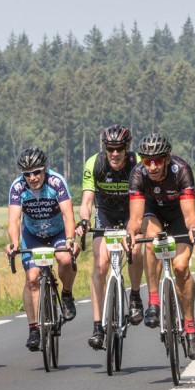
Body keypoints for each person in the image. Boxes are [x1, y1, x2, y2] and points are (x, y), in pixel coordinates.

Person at [126, 133, 195, 360]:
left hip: (179, 215)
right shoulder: (138, 174)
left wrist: (194, 229)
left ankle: (190, 329)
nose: (151, 166)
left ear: (167, 158)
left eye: (157, 161)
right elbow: (135, 217)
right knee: (152, 239)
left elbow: (191, 216)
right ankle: (153, 302)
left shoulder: (181, 170)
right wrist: (130, 233)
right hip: (153, 212)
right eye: (146, 160)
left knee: (181, 267)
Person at [75, 124, 145, 351]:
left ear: (127, 148)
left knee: (134, 249)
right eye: (110, 149)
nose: (114, 154)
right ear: (105, 148)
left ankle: (135, 296)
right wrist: (84, 221)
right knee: (101, 264)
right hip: (104, 214)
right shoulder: (94, 163)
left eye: (119, 149)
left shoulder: (137, 164)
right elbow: (86, 201)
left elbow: (144, 197)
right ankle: (98, 326)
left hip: (131, 213)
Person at [5, 147, 81, 352]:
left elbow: (68, 215)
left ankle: (66, 294)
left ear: (45, 169)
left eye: (37, 172)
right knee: (32, 278)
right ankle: (34, 329)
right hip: (32, 235)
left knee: (65, 259)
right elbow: (14, 220)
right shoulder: (18, 187)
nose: (32, 177)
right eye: (27, 173)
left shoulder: (56, 182)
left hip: (57, 233)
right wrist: (13, 242)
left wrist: (71, 239)